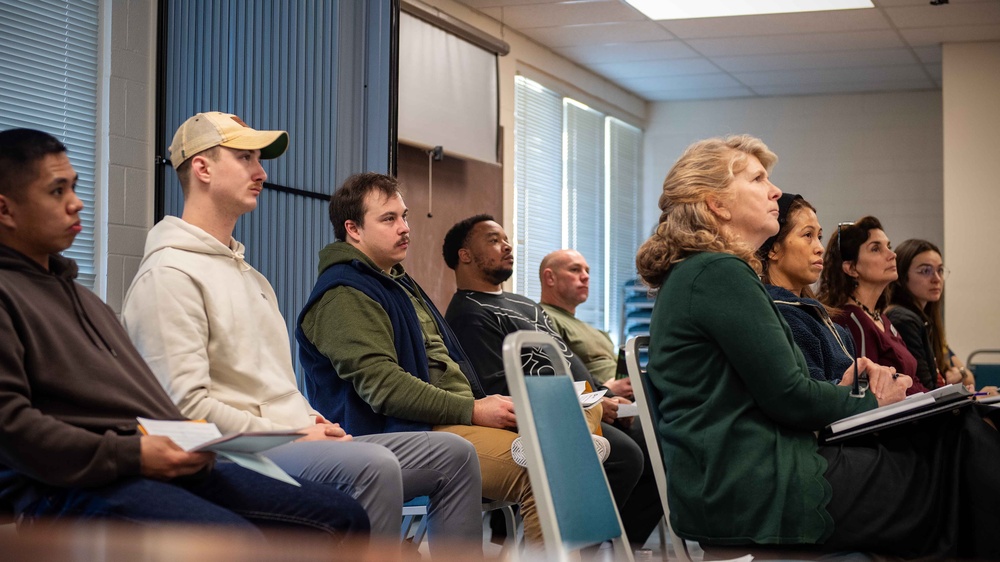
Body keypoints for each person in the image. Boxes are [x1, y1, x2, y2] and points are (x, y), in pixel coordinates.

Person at [121, 113, 481, 547]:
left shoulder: (252, 279)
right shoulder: (169, 274)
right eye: (245, 158)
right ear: (203, 168)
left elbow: (279, 389)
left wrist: (315, 422)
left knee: (457, 456)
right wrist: (294, 432)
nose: (261, 172)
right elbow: (183, 408)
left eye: (259, 159)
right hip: (232, 451)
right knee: (373, 465)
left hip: (284, 438)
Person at [636, 134, 1000, 559]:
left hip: (742, 477)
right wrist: (874, 400)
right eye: (758, 179)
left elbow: (780, 388)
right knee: (954, 463)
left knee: (955, 445)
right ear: (717, 203)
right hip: (758, 485)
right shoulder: (719, 272)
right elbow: (791, 397)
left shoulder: (706, 273)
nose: (774, 190)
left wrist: (847, 390)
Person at [0, 128, 367, 536]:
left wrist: (195, 441)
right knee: (233, 540)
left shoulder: (82, 300)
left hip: (149, 458)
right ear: (5, 210)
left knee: (343, 515)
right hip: (69, 483)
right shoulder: (13, 296)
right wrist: (135, 454)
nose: (77, 203)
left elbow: (149, 403)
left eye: (74, 187)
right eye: (57, 191)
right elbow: (11, 425)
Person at [293, 172, 538, 545]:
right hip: (398, 433)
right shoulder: (345, 293)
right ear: (353, 229)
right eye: (389, 219)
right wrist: (473, 410)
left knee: (565, 435)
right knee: (544, 471)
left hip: (443, 421)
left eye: (404, 216)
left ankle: (574, 431)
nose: (405, 228)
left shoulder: (394, 281)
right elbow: (385, 389)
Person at [442, 215, 661, 548]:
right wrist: (590, 402)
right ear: (465, 255)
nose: (507, 245)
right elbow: (498, 387)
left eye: (506, 238)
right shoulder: (468, 314)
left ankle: (622, 547)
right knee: (626, 457)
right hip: (550, 414)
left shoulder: (523, 303)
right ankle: (576, 550)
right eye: (493, 239)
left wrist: (600, 396)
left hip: (588, 405)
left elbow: (567, 358)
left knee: (662, 448)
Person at [818, 216, 929, 394]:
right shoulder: (850, 320)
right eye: (876, 249)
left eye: (889, 247)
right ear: (851, 268)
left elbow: (912, 379)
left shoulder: (881, 318)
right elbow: (871, 391)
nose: (892, 255)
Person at [757, 193, 856, 384]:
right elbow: (811, 397)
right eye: (808, 235)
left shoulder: (819, 317)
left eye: (819, 236)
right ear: (773, 249)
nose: (820, 248)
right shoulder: (780, 316)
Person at [538, 249, 632, 398]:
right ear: (550, 278)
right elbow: (552, 381)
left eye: (587, 271)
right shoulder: (542, 317)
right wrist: (605, 391)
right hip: (598, 405)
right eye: (575, 270)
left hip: (627, 404)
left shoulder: (594, 331)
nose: (586, 276)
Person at [887, 239, 976, 390]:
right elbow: (928, 391)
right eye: (925, 271)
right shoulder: (903, 320)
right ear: (902, 277)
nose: (936, 279)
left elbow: (966, 375)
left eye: (940, 270)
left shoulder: (926, 320)